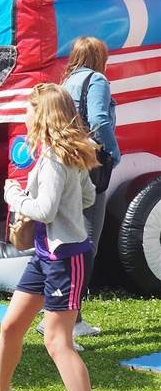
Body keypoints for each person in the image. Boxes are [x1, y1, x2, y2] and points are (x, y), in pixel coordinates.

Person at [0, 83, 114, 391]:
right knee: (11, 325)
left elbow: (44, 210)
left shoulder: (57, 158)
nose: (25, 116)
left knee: (57, 340)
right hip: (46, 255)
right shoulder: (61, 153)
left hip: (66, 258)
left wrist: (14, 197)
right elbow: (89, 196)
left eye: (29, 109)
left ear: (42, 114)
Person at [60, 36, 121, 338]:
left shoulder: (68, 81)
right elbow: (99, 119)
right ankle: (70, 318)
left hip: (70, 164)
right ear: (99, 57)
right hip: (92, 166)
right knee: (88, 244)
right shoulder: (97, 79)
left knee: (73, 239)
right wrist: (112, 152)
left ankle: (66, 314)